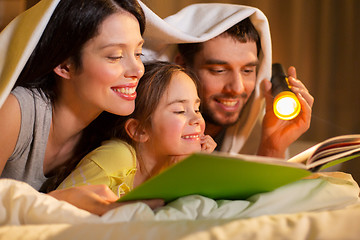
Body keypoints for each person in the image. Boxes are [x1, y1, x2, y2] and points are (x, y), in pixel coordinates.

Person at [0, 0, 163, 215]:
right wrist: (57, 201)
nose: (137, 70)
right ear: (64, 65)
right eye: (115, 56)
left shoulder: (110, 133)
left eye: (138, 53)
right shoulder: (18, 111)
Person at [140, 3, 314, 159]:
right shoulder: (141, 140)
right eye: (219, 71)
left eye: (247, 71)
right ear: (182, 65)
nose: (237, 88)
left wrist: (272, 146)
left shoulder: (253, 130)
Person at [58, 61, 217, 197]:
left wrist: (193, 170)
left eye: (197, 109)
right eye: (180, 111)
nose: (197, 120)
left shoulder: (172, 166)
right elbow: (58, 207)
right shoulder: (117, 156)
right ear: (139, 130)